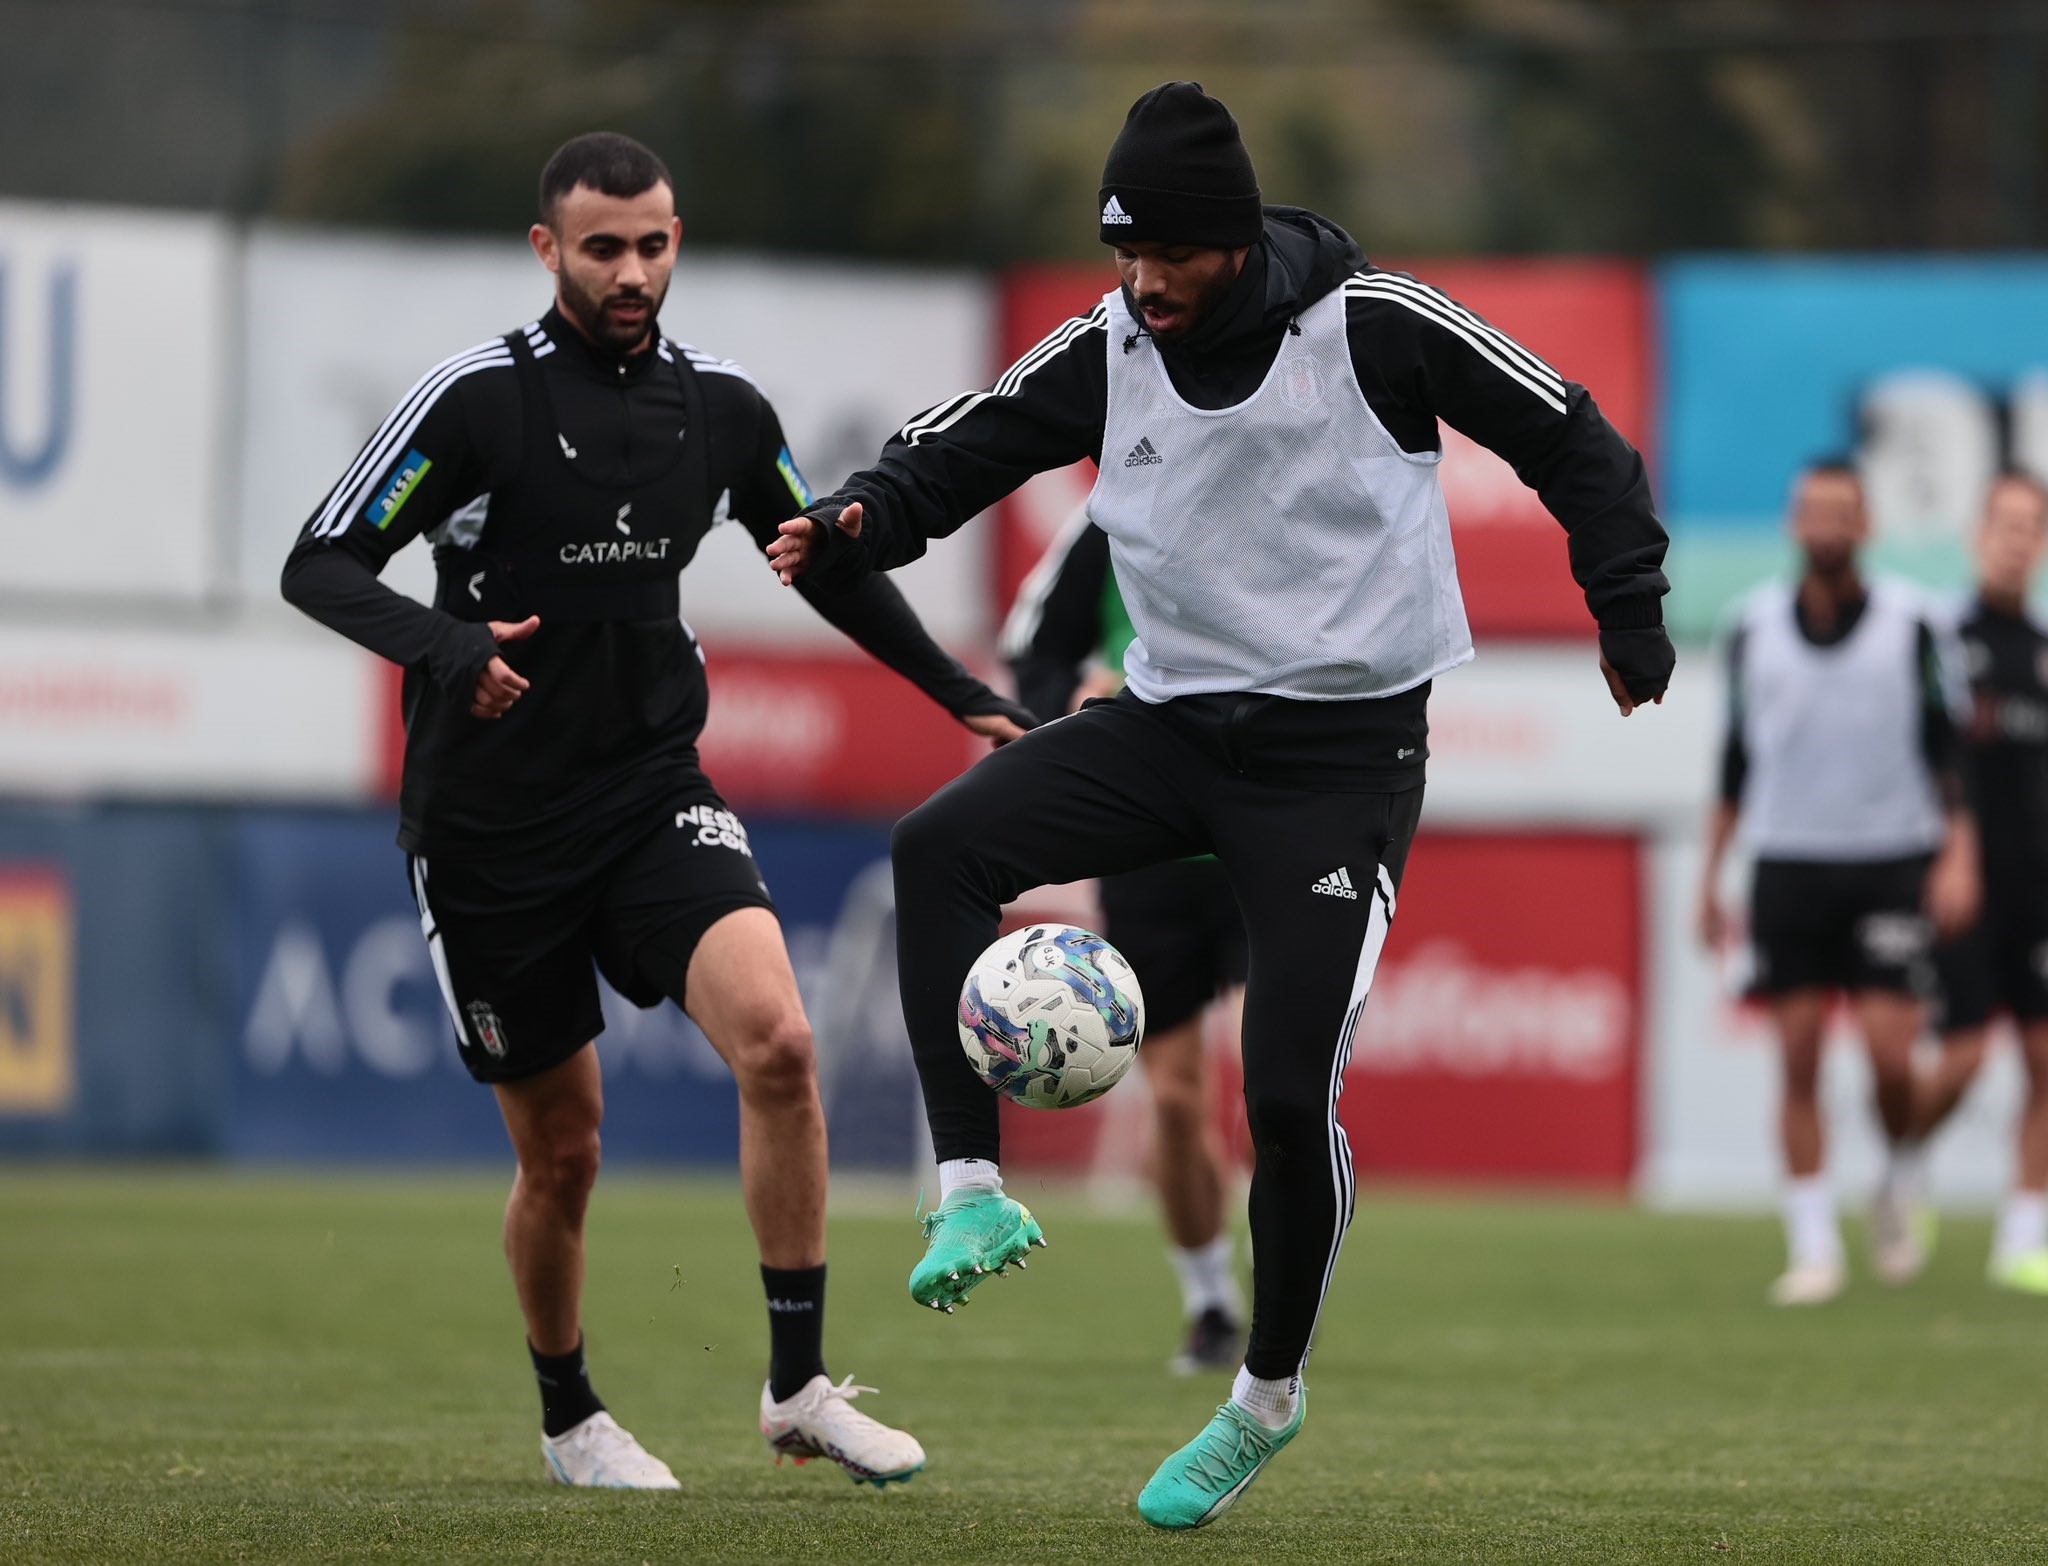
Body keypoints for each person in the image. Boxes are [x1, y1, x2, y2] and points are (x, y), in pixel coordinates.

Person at [768, 83, 1674, 1529]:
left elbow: (1574, 437)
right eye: (1122, 255)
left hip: (1339, 765)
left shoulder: (1379, 324)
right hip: (1171, 725)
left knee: (1283, 1089)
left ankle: (1264, 1395)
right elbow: (975, 442)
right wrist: (872, 512)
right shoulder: (1115, 340)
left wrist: (1627, 612)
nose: (1142, 284)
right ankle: (971, 1184)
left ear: (1236, 240)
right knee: (942, 843)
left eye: (1169, 256)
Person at [281, 132, 1031, 1490]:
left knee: (783, 1042)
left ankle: (797, 1386)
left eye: (656, 243)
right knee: (565, 1153)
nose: (635, 271)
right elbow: (318, 563)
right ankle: (572, 1414)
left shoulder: (725, 411)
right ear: (548, 250)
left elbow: (819, 561)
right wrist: (448, 651)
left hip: (649, 794)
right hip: (489, 832)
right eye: (606, 247)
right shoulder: (472, 404)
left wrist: (959, 690)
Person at [1697, 459, 1978, 1307]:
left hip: (1892, 857)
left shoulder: (1915, 623)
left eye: (1842, 512)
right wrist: (1710, 877)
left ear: (1866, 527)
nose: (1826, 525)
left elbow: (1948, 745)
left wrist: (1959, 851)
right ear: (1794, 524)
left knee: (1894, 1059)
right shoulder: (1751, 629)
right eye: (1813, 510)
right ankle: (1813, 1245)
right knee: (1798, 1057)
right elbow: (1735, 762)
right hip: (1787, 860)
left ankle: (1897, 1172)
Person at [1003, 510, 1249, 1373]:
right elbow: (1033, 648)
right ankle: (1212, 1299)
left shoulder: (1277, 490)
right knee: (1179, 1100)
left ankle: (1290, 1293)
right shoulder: (1112, 517)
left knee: (1281, 1085)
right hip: (1148, 852)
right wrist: (1067, 710)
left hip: (1268, 837)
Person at [1906, 471, 2048, 1292]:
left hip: (2036, 885)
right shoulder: (1944, 638)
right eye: (2006, 524)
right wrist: (1944, 858)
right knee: (1962, 1059)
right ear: (1978, 535)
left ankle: (2022, 1236)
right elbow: (1926, 757)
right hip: (1961, 880)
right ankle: (1907, 1153)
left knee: (2043, 1061)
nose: (2017, 540)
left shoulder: (2041, 647)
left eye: (2032, 527)